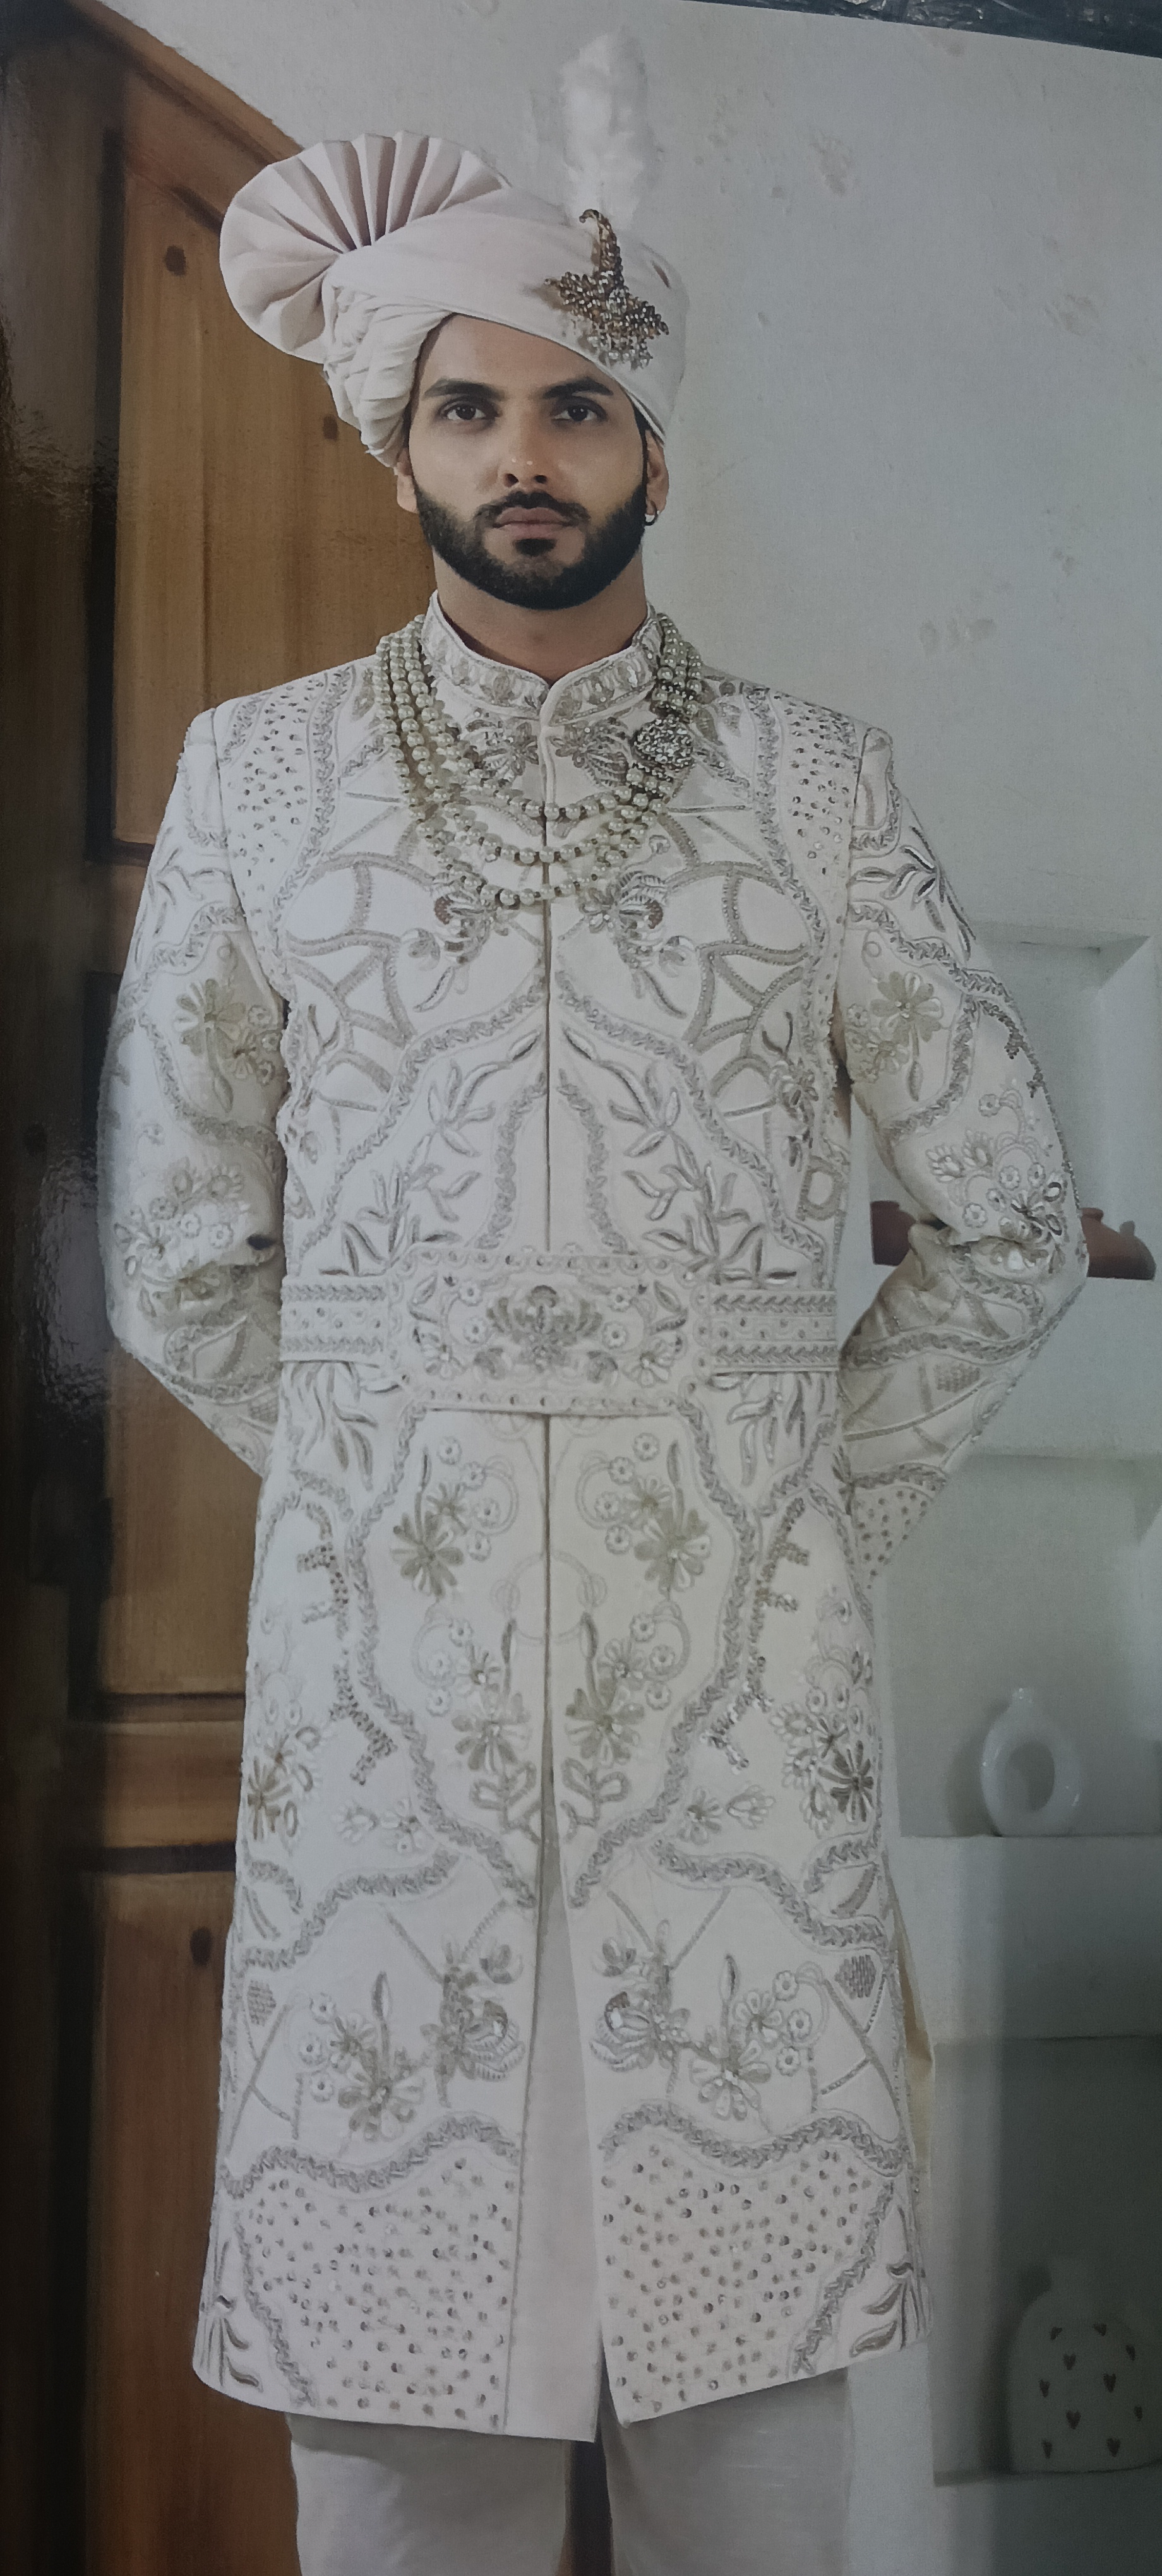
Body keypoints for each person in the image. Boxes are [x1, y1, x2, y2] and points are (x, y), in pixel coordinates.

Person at [97, 119, 1087, 2576]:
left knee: (750, 2472)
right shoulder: (260, 780)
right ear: (402, 448)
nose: (521, 457)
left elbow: (1004, 1222)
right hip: (392, 1755)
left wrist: (801, 1502)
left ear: (656, 445)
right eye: (470, 408)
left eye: (575, 407)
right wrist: (386, 1479)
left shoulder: (814, 794)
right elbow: (174, 1248)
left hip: (729, 1743)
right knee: (391, 2476)